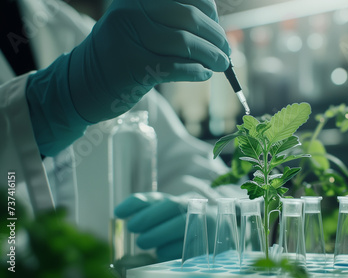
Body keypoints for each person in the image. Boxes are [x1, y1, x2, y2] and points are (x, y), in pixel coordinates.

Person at [0, 0, 244, 262]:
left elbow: (205, 175)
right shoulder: (94, 50)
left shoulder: (75, 30)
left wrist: (215, 219)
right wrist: (46, 107)